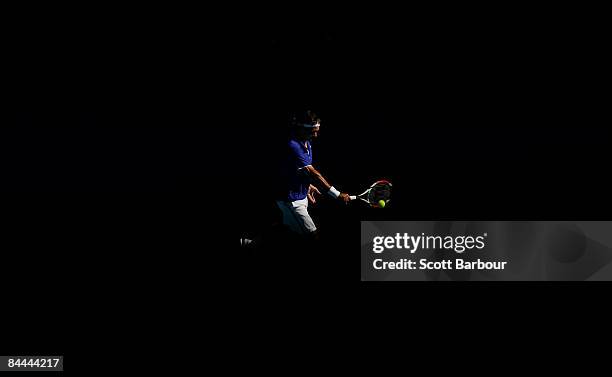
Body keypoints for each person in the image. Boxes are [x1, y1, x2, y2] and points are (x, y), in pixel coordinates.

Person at [274, 110, 351, 241]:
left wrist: (307, 185)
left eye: (317, 131)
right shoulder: (293, 146)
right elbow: (313, 173)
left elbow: (296, 170)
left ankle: (250, 242)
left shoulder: (307, 143)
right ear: (301, 129)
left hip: (300, 194)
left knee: (289, 231)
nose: (315, 135)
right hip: (291, 201)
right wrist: (337, 194)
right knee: (312, 236)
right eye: (312, 131)